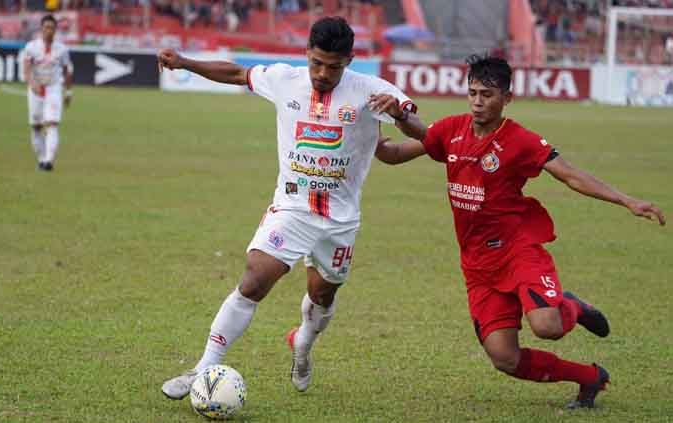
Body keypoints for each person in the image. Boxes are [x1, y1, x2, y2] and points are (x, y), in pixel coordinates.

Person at [157, 16, 427, 399]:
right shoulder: (286, 79)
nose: (322, 73)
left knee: (322, 297)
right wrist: (185, 62)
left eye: (333, 66)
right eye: (316, 62)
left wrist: (400, 115)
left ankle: (302, 344)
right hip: (293, 208)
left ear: (349, 60)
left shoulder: (374, 91)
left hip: (340, 221)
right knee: (253, 280)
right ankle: (201, 368)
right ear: (307, 54)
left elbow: (419, 130)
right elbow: (236, 73)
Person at [375, 54, 666, 409]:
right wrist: (368, 127)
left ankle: (571, 306)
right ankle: (590, 377)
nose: (478, 101)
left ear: (507, 98)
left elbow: (569, 174)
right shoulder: (452, 131)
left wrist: (627, 200)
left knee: (547, 326)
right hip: (478, 264)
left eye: (487, 94)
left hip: (517, 250)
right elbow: (394, 153)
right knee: (505, 358)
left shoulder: (520, 140)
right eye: (473, 93)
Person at [23, 14, 72, 172]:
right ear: (41, 29)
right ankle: (42, 159)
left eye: (52, 28)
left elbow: (67, 70)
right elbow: (27, 69)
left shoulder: (62, 49)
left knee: (52, 124)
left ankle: (49, 161)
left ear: (56, 30)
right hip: (36, 89)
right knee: (36, 126)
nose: (49, 31)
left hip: (53, 88)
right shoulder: (31, 47)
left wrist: (68, 92)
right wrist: (32, 84)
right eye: (46, 27)